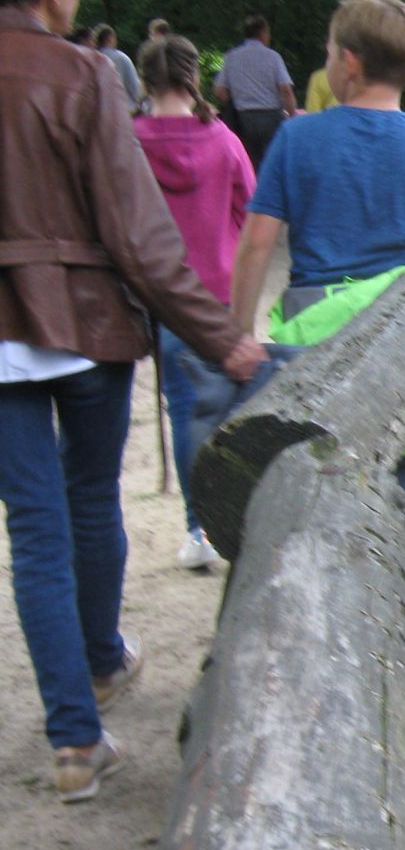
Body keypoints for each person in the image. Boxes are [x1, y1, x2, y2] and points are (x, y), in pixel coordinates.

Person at [0, 0, 265, 802]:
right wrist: (222, 338)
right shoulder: (81, 76)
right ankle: (104, 661)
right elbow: (141, 238)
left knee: (33, 529)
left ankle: (76, 743)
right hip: (85, 331)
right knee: (89, 501)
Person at [227, 0, 405, 573]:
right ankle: (399, 587)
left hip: (317, 336)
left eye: (327, 53)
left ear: (350, 61)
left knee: (316, 470)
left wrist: (238, 332)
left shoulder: (297, 140)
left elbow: (258, 243)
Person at [132, 31, 256, 571]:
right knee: (228, 407)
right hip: (217, 291)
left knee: (184, 411)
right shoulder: (223, 140)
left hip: (160, 294)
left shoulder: (127, 142)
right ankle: (235, 518)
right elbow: (250, 210)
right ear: (194, 77)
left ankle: (196, 528)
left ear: (145, 80)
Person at [214, 13, 296, 170]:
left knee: (249, 166)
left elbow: (219, 91)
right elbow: (286, 90)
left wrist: (236, 101)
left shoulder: (231, 57)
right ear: (263, 33)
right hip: (271, 118)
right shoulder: (273, 57)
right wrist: (292, 116)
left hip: (243, 119)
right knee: (274, 165)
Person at [92, 23, 141, 109]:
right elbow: (134, 88)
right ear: (110, 39)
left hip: (98, 109)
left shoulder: (90, 59)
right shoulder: (122, 58)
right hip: (122, 108)